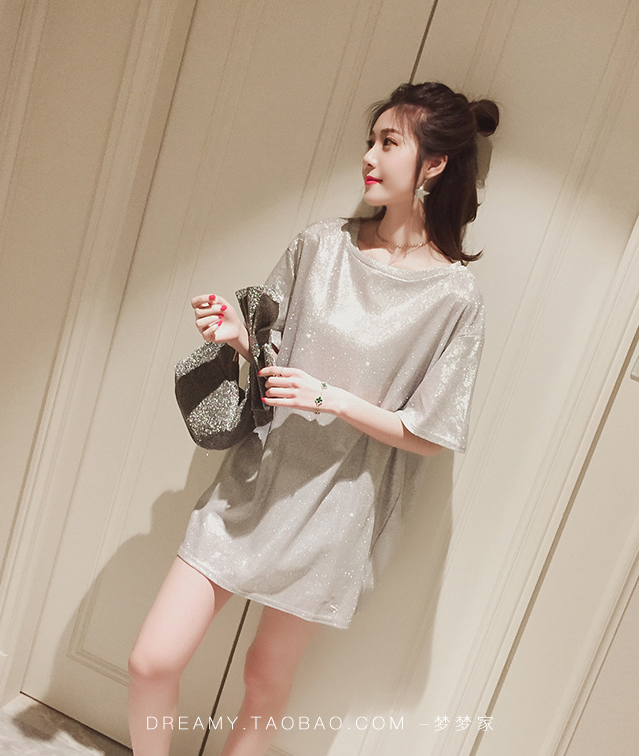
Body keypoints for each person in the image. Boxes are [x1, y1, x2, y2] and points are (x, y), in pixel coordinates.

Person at [127, 81, 499, 756]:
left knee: (265, 680)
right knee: (152, 661)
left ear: (435, 164)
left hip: (336, 506)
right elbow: (272, 354)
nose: (370, 157)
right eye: (370, 141)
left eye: (389, 143)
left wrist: (333, 398)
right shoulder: (320, 245)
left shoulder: (453, 297)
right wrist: (237, 336)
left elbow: (429, 435)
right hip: (254, 481)